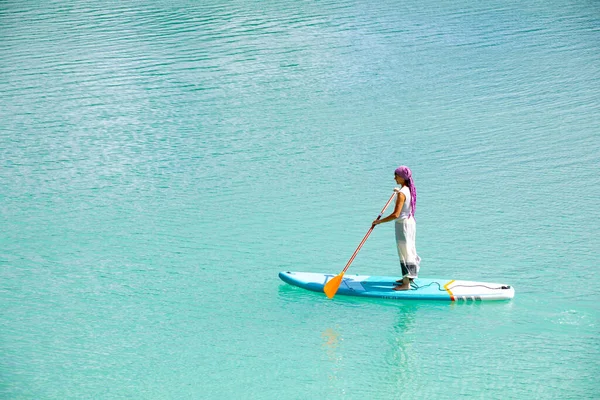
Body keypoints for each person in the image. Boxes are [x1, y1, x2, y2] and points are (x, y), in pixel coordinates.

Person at [372, 166, 421, 290]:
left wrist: (379, 222)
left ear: (402, 177)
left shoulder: (401, 194)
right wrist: (397, 191)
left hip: (403, 225)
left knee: (404, 251)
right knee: (409, 249)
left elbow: (396, 214)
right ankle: (408, 277)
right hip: (410, 222)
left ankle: (406, 284)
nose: (394, 178)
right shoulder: (409, 189)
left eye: (396, 176)